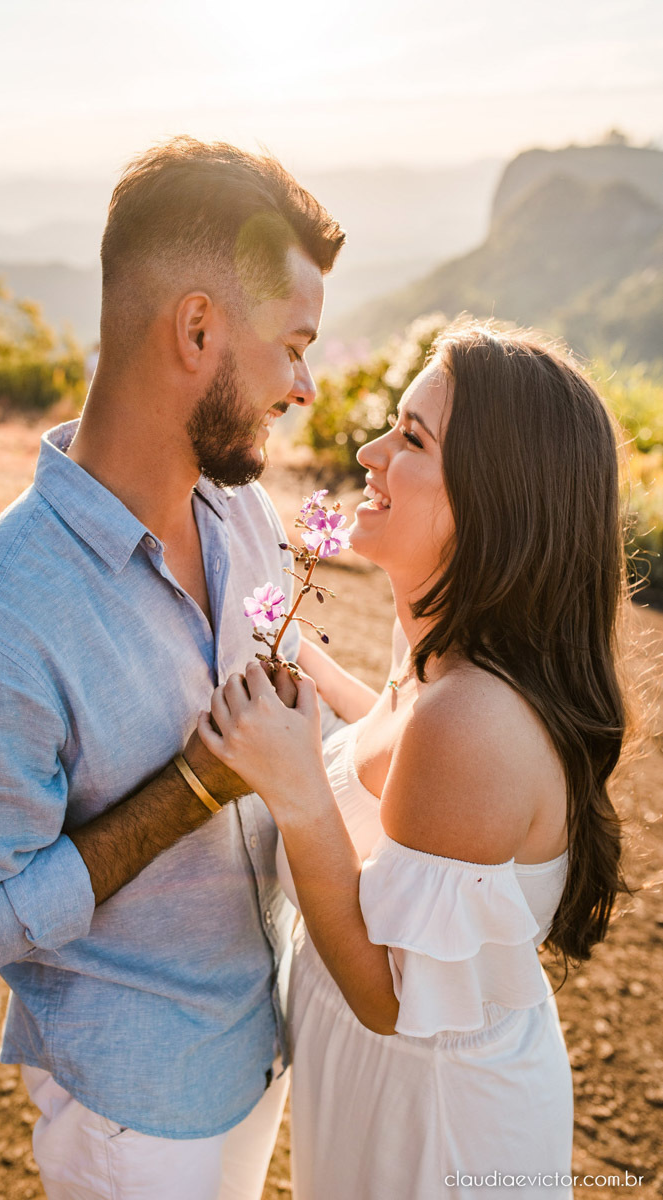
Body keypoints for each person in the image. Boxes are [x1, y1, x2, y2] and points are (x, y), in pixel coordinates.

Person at [0, 138, 345, 1200]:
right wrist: (184, 794)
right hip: (136, 1119)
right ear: (196, 330)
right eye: (294, 346)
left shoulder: (246, 512)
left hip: (261, 1040)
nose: (307, 385)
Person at [200, 323, 629, 1200]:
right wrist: (294, 655)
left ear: (492, 501)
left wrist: (293, 788)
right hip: (387, 1094)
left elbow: (387, 998)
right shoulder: (443, 653)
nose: (367, 450)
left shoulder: (477, 721)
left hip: (440, 1136)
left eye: (411, 439)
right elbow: (387, 756)